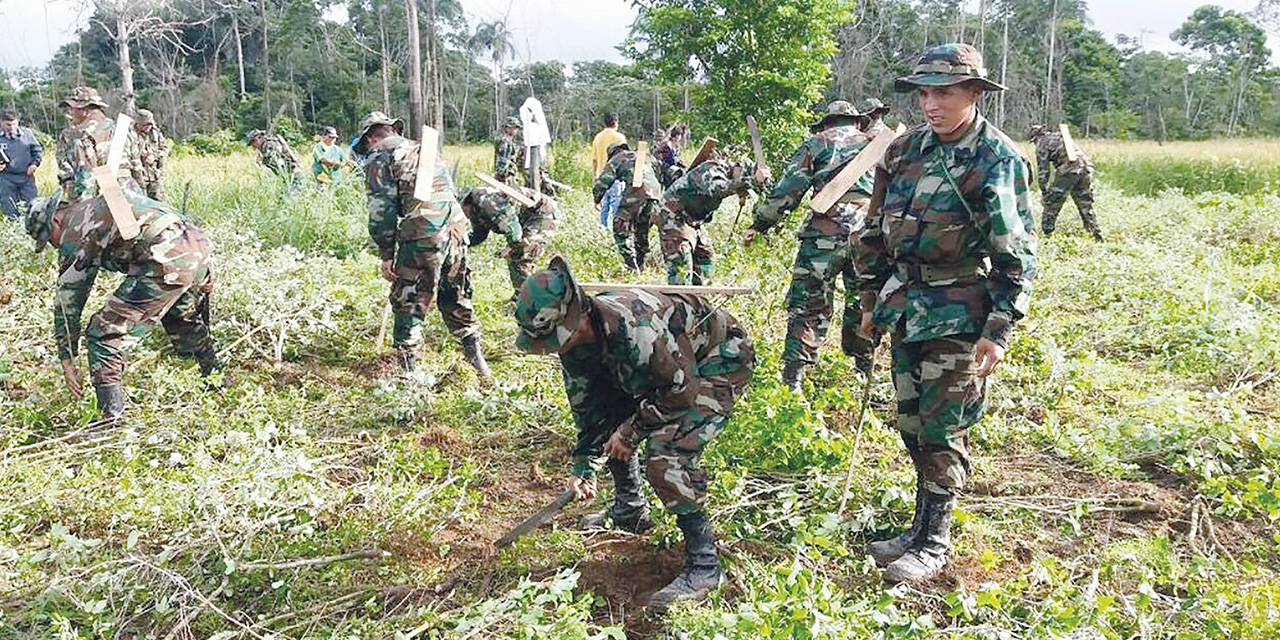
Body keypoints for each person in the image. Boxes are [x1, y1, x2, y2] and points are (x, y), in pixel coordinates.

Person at [856, 43, 1037, 583]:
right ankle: (917, 528)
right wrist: (869, 300)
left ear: (974, 94)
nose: (931, 104)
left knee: (943, 429)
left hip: (959, 312)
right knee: (911, 423)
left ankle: (935, 541)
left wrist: (998, 330)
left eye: (945, 93)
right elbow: (872, 231)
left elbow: (1016, 253)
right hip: (904, 306)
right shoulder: (903, 150)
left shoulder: (997, 159)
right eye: (925, 93)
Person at [513, 256, 755, 610]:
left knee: (666, 450)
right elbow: (590, 406)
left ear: (579, 315)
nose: (556, 345)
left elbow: (679, 393)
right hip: (667, 375)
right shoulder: (574, 345)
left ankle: (705, 566)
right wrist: (584, 463)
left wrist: (630, 431)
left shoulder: (635, 327)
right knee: (613, 423)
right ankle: (630, 509)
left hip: (717, 360)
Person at [24, 187, 224, 423]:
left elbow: (69, 299)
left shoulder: (74, 229)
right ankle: (216, 380)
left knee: (103, 332)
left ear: (55, 220)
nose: (54, 246)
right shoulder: (94, 206)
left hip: (166, 259)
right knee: (181, 319)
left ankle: (111, 419)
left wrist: (67, 358)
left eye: (49, 239)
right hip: (196, 247)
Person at [742, 100, 878, 390]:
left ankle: (793, 380)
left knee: (807, 306)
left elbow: (788, 192)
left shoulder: (816, 143)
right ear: (855, 122)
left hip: (823, 236)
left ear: (827, 123)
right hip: (868, 237)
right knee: (865, 302)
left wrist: (760, 224)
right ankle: (863, 373)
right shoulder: (878, 145)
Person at [355, 111, 491, 379]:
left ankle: (409, 374)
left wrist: (386, 253)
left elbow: (381, 210)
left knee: (410, 299)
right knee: (456, 295)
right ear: (392, 129)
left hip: (423, 233)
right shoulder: (423, 148)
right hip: (456, 230)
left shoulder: (379, 154)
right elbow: (449, 191)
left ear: (370, 136)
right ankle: (478, 362)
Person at [659, 153, 759, 284]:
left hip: (692, 221)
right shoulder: (712, 169)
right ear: (738, 168)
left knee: (706, 259)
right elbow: (717, 189)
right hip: (672, 216)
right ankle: (679, 299)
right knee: (682, 261)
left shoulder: (726, 176)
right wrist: (747, 182)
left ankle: (699, 297)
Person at [459, 185, 559, 298]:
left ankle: (527, 300)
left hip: (542, 214)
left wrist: (510, 247)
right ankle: (522, 295)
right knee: (516, 254)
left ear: (467, 204)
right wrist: (460, 243)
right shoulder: (475, 211)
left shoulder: (490, 204)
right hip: (525, 217)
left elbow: (515, 231)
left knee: (519, 256)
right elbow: (479, 235)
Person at [593, 142, 662, 272]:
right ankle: (641, 264)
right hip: (655, 196)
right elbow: (659, 172)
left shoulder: (617, 159)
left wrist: (597, 199)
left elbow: (602, 182)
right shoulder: (645, 156)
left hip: (637, 193)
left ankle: (631, 267)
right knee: (642, 230)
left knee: (620, 227)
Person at [1029, 124, 1102, 241]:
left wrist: (1044, 192)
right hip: (1085, 168)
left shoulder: (1042, 144)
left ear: (1035, 138)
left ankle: (1047, 235)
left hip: (1069, 169)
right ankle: (1096, 234)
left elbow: (1044, 171)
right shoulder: (1059, 136)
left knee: (1052, 203)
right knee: (1085, 203)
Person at [56, 86, 116, 202]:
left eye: (71, 108)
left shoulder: (80, 134)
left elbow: (86, 177)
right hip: (123, 195)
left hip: (95, 200)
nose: (70, 112)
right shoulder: (116, 127)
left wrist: (82, 206)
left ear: (84, 109)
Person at [0, 110, 43, 220]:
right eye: (8, 124)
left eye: (14, 124)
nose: (11, 127)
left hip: (26, 177)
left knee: (32, 206)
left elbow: (37, 150)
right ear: (1, 122)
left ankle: (30, 232)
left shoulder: (27, 134)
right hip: (5, 178)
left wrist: (35, 164)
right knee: (9, 208)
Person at [591, 114, 627, 227]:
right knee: (615, 206)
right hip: (615, 176)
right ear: (615, 122)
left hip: (601, 175)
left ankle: (603, 229)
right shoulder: (620, 138)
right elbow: (625, 158)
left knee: (604, 207)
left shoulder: (598, 137)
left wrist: (595, 177)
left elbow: (594, 160)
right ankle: (614, 229)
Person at [129, 109, 171, 201]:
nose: (148, 127)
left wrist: (154, 156)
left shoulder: (155, 133)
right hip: (138, 177)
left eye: (150, 124)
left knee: (158, 202)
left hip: (154, 176)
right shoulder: (131, 135)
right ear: (138, 124)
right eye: (145, 125)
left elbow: (165, 148)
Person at [654, 123, 688, 188]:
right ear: (676, 136)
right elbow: (656, 152)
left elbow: (675, 157)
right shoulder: (667, 144)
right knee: (677, 174)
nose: (680, 138)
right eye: (679, 135)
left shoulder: (674, 145)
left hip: (670, 165)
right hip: (665, 166)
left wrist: (679, 162)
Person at [493, 116, 523, 185]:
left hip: (509, 175)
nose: (516, 130)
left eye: (516, 128)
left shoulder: (509, 141)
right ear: (507, 128)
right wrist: (505, 177)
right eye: (514, 128)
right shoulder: (505, 143)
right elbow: (503, 162)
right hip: (506, 177)